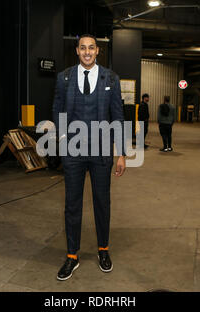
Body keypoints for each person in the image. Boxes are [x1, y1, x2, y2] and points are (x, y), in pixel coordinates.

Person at [52, 34, 126, 281]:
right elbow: (57, 110)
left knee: (102, 203)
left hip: (101, 151)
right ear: (77, 51)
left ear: (97, 52)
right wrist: (62, 141)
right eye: (82, 48)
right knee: (72, 205)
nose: (87, 52)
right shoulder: (64, 78)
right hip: (73, 150)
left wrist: (121, 153)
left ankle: (103, 250)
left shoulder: (111, 79)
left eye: (91, 48)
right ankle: (72, 256)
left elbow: (117, 117)